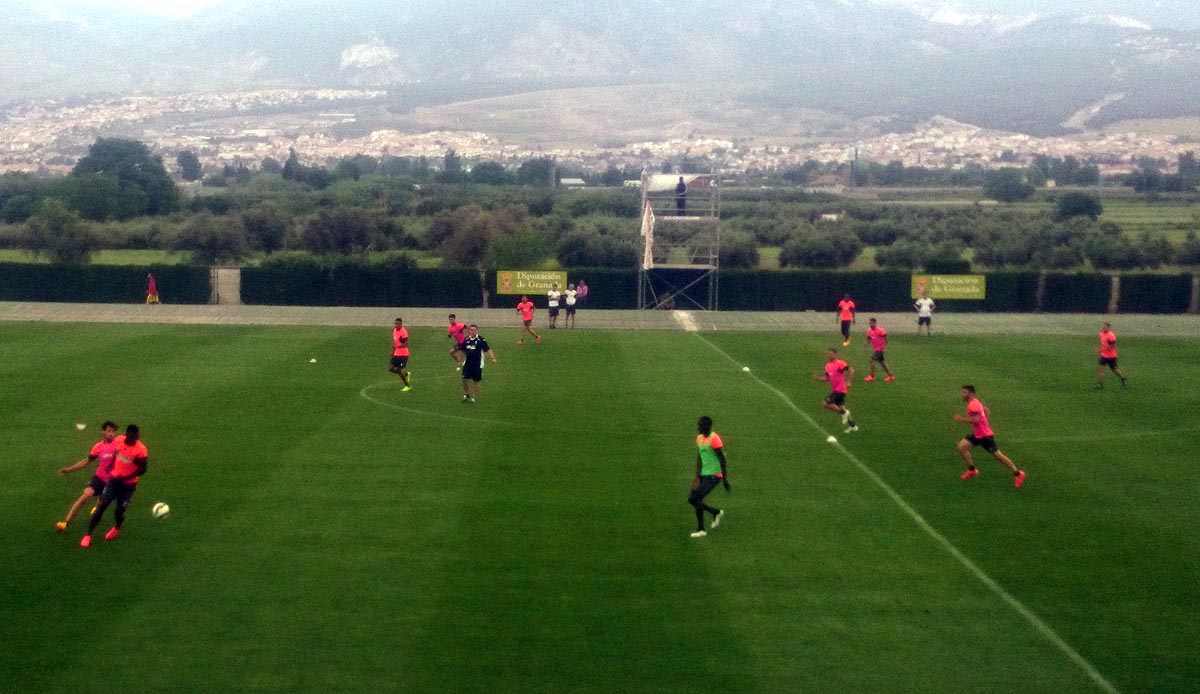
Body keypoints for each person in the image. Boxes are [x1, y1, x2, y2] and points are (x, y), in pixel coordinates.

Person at [80, 424, 148, 547]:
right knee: (102, 505)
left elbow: (143, 469)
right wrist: (111, 464)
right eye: (132, 437)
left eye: (136, 437)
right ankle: (88, 535)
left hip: (128, 485)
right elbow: (116, 454)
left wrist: (126, 477)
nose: (134, 440)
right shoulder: (119, 440)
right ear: (127, 435)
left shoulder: (141, 450)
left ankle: (117, 527)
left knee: (120, 510)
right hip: (114, 481)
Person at [954, 385, 1025, 488]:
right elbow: (987, 410)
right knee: (961, 447)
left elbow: (976, 420)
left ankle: (1018, 473)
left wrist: (961, 419)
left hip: (984, 436)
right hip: (978, 434)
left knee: (998, 456)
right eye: (962, 392)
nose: (962, 395)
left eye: (965, 393)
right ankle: (972, 470)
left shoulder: (973, 405)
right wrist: (985, 422)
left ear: (971, 394)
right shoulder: (976, 402)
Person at [56, 421, 120, 532]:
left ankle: (97, 506)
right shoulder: (98, 447)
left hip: (112, 482)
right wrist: (69, 469)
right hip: (99, 478)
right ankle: (65, 523)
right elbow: (86, 461)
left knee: (101, 505)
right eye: (109, 431)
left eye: (113, 431)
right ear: (103, 432)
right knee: (85, 496)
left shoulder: (119, 444)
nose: (111, 434)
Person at [688, 416, 729, 538]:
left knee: (697, 497)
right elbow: (700, 457)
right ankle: (715, 512)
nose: (698, 427)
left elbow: (722, 459)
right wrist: (697, 477)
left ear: (706, 427)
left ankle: (701, 529)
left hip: (714, 475)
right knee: (692, 499)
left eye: (700, 425)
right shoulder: (699, 438)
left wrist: (725, 479)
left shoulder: (714, 440)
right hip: (704, 474)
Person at [813, 348, 858, 433]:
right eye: (828, 354)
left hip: (840, 389)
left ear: (835, 355)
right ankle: (853, 426)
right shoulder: (827, 365)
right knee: (841, 407)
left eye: (831, 354)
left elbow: (851, 370)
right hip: (835, 389)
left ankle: (844, 413)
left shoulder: (840, 363)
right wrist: (818, 378)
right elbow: (827, 378)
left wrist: (848, 382)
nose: (829, 355)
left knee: (826, 403)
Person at [460, 324, 497, 403]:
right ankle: (466, 394)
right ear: (469, 330)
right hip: (467, 363)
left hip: (477, 363)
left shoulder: (481, 340)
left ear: (476, 331)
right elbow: (463, 351)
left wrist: (492, 358)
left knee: (476, 381)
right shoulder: (466, 339)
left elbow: (488, 349)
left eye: (474, 330)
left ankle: (474, 397)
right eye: (471, 330)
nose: (472, 331)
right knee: (464, 379)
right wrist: (460, 361)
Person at [1094, 322, 1128, 389]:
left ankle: (1123, 378)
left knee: (1114, 370)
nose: (1104, 328)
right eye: (1103, 327)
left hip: (1111, 356)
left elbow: (1112, 347)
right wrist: (1100, 349)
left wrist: (1101, 350)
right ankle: (1099, 384)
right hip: (1104, 356)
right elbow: (1103, 344)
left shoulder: (1111, 336)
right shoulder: (1101, 334)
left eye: (1105, 327)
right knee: (1100, 368)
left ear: (1109, 328)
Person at [864, 318, 895, 382]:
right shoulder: (869, 331)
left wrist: (886, 342)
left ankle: (871, 377)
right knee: (883, 363)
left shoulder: (880, 330)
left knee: (872, 361)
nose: (871, 324)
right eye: (870, 323)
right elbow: (869, 337)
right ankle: (891, 376)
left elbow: (885, 335)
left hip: (880, 349)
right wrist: (867, 343)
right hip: (876, 350)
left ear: (875, 323)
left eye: (872, 323)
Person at [390, 317, 411, 391]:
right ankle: (406, 374)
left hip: (403, 355)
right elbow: (395, 342)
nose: (396, 325)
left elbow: (406, 344)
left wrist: (397, 346)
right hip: (396, 354)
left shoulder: (403, 332)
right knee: (391, 368)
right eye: (395, 323)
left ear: (401, 324)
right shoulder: (395, 331)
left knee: (399, 370)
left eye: (398, 324)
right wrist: (392, 351)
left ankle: (407, 386)